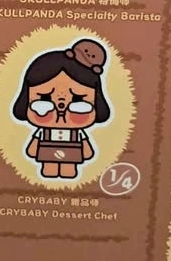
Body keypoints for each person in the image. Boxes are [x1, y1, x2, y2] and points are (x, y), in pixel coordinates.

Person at [12, 38, 111, 179]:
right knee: (49, 170)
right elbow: (32, 149)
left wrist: (86, 150)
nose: (61, 109)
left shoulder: (77, 133)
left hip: (72, 154)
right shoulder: (43, 131)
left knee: (68, 171)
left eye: (77, 100)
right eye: (45, 98)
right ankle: (50, 169)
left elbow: (87, 151)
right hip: (47, 152)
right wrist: (33, 149)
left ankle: (67, 170)